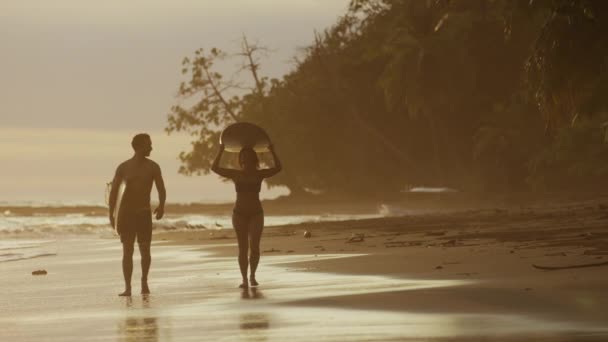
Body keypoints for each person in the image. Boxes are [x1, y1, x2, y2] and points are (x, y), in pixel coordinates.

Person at [212, 143, 282, 288]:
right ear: (240, 159)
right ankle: (244, 279)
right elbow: (215, 168)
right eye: (243, 157)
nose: (245, 159)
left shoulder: (259, 174)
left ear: (253, 158)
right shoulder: (236, 174)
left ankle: (252, 276)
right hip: (239, 214)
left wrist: (272, 152)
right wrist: (220, 151)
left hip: (256, 214)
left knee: (254, 247)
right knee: (242, 248)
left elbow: (278, 168)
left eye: (248, 156)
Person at [109, 133, 166, 296]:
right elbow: (114, 193)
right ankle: (128, 287)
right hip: (126, 215)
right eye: (149, 145)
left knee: (145, 250)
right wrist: (111, 214)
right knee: (127, 251)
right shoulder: (123, 168)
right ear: (140, 147)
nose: (151, 148)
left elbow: (161, 188)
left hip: (143, 213)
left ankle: (144, 281)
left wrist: (161, 205)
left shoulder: (153, 167)